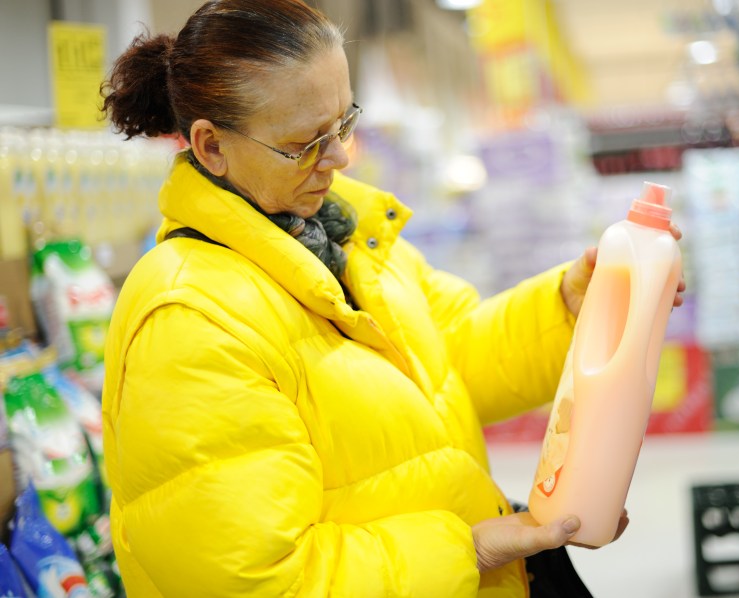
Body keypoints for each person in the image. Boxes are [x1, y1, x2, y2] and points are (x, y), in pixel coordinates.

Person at [100, 1, 685, 596]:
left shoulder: (345, 238)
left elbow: (447, 364)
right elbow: (255, 581)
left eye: (343, 124)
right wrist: (470, 549)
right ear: (211, 146)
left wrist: (569, 306)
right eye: (304, 143)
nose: (339, 158)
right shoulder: (189, 321)